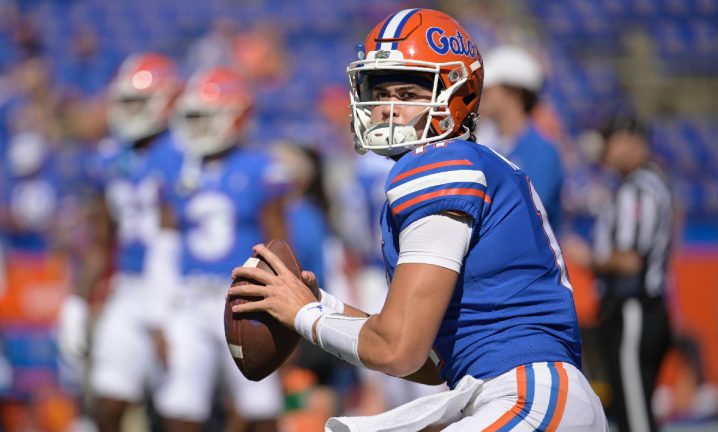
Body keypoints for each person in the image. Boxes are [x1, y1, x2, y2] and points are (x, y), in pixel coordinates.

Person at [229, 8, 607, 431]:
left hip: (527, 395)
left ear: (456, 96)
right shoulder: (461, 163)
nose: (389, 108)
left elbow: (398, 350)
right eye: (381, 91)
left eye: (408, 95)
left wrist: (304, 315)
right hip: (508, 392)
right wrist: (325, 307)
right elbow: (430, 361)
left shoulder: (438, 163)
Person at [152, 67, 285, 432]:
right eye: (192, 117)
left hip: (243, 300)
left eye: (205, 116)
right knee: (181, 405)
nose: (196, 127)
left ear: (234, 117)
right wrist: (160, 314)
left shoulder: (262, 167)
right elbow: (164, 244)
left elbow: (280, 247)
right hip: (188, 297)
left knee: (260, 405)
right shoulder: (176, 168)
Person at [56, 52, 182, 431]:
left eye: (138, 101)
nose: (129, 111)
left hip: (179, 292)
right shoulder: (110, 159)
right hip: (129, 289)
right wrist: (77, 301)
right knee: (108, 401)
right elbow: (101, 240)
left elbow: (176, 235)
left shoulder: (183, 154)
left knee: (181, 408)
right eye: (125, 101)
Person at [563, 116, 673, 432]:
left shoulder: (638, 189)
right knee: (629, 404)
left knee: (634, 411)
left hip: (634, 307)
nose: (606, 150)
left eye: (611, 140)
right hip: (636, 308)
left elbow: (630, 261)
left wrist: (588, 258)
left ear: (630, 140)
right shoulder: (643, 184)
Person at [479, 45, 565, 230]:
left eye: (487, 90)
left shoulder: (541, 151)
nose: (481, 96)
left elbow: (522, 212)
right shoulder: (490, 143)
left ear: (513, 94)